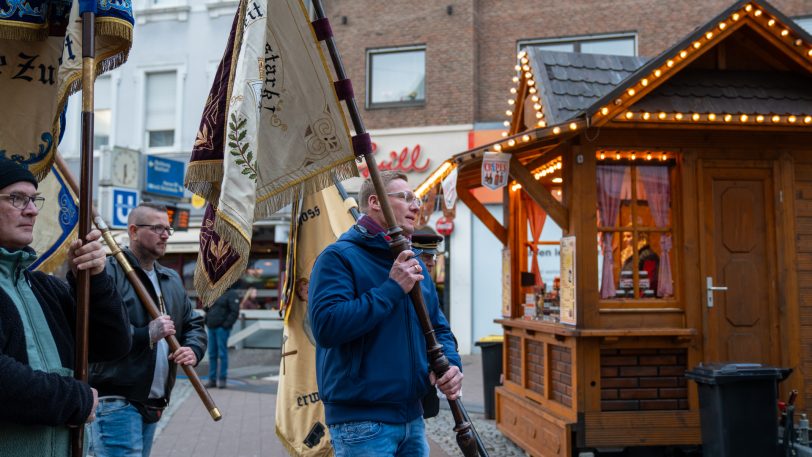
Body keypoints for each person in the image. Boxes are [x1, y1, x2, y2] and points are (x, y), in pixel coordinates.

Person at [309, 171, 463, 457]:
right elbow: (327, 326)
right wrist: (392, 288)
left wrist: (452, 364)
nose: (415, 206)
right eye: (405, 198)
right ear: (375, 202)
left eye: (415, 198)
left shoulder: (413, 261)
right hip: (361, 421)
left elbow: (439, 328)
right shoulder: (338, 257)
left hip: (412, 418)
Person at [0, 158, 131, 456]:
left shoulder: (45, 287)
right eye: (17, 198)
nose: (32, 210)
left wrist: (93, 280)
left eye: (34, 199)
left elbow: (112, 344)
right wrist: (77, 399)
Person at [89, 202, 206, 457]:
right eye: (156, 228)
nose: (165, 234)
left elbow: (193, 323)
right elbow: (96, 334)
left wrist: (193, 349)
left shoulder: (170, 278)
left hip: (153, 402)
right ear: (133, 231)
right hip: (117, 401)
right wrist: (145, 335)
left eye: (167, 229)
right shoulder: (108, 273)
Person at [204, 283, 240, 389]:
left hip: (222, 329)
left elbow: (235, 312)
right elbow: (206, 308)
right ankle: (212, 380)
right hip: (211, 327)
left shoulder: (231, 294)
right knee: (212, 354)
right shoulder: (213, 293)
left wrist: (226, 325)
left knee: (222, 354)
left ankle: (222, 379)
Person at [620, 230, 660, 295]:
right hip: (627, 298)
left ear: (640, 237)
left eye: (628, 236)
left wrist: (640, 300)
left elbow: (649, 282)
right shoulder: (630, 254)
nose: (624, 239)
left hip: (637, 300)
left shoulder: (648, 255)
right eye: (624, 236)